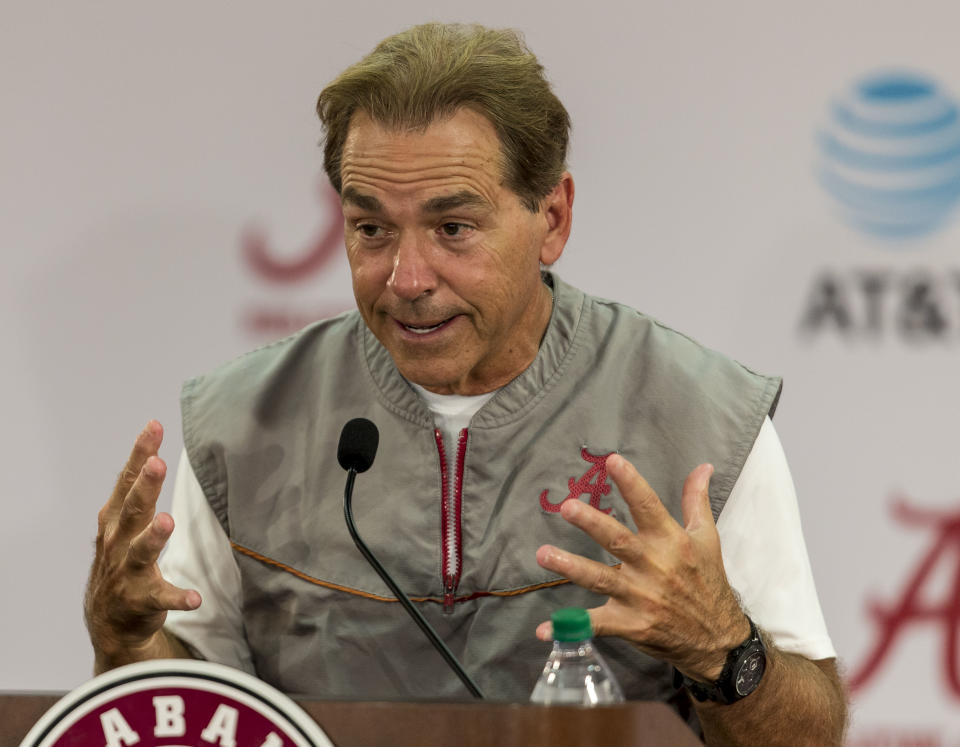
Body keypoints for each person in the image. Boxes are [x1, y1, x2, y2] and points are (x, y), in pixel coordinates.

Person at [84, 22, 847, 743]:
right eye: (371, 228)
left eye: (453, 228)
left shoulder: (699, 418)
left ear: (551, 217)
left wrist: (722, 647)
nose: (406, 278)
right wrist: (123, 648)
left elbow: (811, 733)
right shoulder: (243, 424)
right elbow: (182, 711)